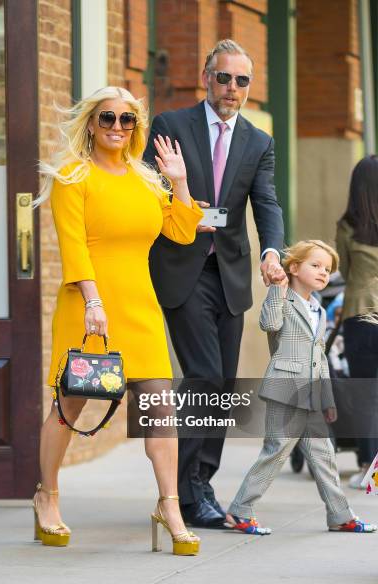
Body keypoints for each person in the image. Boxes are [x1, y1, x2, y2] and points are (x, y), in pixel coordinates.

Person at [32, 86, 204, 555]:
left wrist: (180, 182)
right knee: (70, 407)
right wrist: (92, 301)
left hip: (140, 310)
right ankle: (46, 497)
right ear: (91, 123)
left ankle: (169, 506)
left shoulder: (145, 179)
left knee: (160, 410)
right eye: (107, 118)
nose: (116, 128)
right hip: (89, 309)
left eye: (126, 121)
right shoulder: (73, 176)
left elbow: (182, 230)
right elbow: (74, 245)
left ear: (136, 128)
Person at [144, 39, 285, 528]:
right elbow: (147, 191)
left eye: (241, 81)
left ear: (249, 87)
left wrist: (271, 250)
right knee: (203, 376)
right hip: (182, 269)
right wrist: (181, 207)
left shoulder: (259, 141)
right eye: (223, 77)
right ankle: (189, 493)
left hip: (229, 274)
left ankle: (198, 481)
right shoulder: (171, 127)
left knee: (222, 385)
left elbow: (266, 202)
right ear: (207, 78)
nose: (231, 88)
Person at [225, 240, 377, 534]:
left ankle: (340, 515)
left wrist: (328, 399)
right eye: (316, 265)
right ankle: (240, 511)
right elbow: (269, 324)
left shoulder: (317, 309)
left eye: (328, 269)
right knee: (276, 451)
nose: (323, 273)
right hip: (285, 389)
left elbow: (319, 358)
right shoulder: (282, 299)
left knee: (324, 457)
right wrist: (275, 290)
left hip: (311, 396)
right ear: (293, 268)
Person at [336, 155, 378, 489]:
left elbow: (347, 274)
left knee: (366, 395)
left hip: (361, 315)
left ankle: (369, 466)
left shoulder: (348, 226)